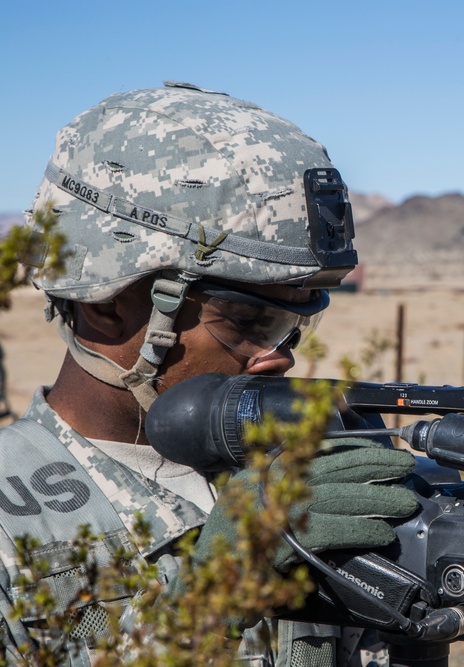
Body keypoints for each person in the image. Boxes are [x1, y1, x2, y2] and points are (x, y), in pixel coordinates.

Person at [0, 82, 419, 665]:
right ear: (106, 301)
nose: (279, 358)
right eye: (249, 318)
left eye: (293, 323)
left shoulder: (293, 475)